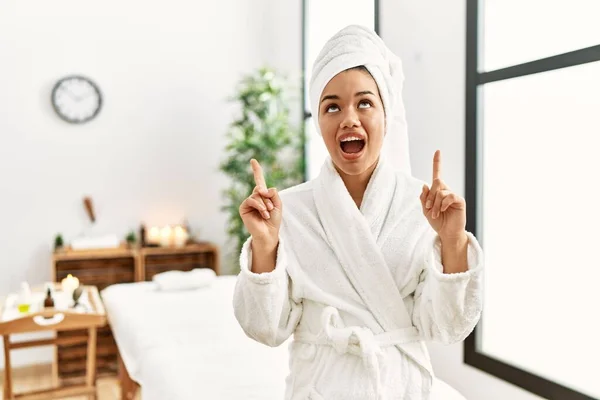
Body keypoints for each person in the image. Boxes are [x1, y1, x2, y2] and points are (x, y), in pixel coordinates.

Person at [233, 24, 484, 400]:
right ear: (319, 123)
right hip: (319, 389)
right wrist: (266, 247)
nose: (349, 118)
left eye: (365, 102)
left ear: (386, 115)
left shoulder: (423, 205)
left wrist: (452, 242)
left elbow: (446, 328)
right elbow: (266, 329)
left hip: (399, 388)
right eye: (331, 106)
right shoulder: (289, 210)